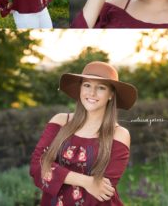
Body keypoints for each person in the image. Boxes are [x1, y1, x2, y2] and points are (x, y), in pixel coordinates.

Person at [30, 61, 137, 205]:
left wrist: (58, 173)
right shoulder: (60, 121)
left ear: (111, 94)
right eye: (87, 85)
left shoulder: (119, 134)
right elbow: (37, 165)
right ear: (80, 88)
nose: (91, 93)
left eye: (101, 87)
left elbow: (103, 190)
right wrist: (87, 182)